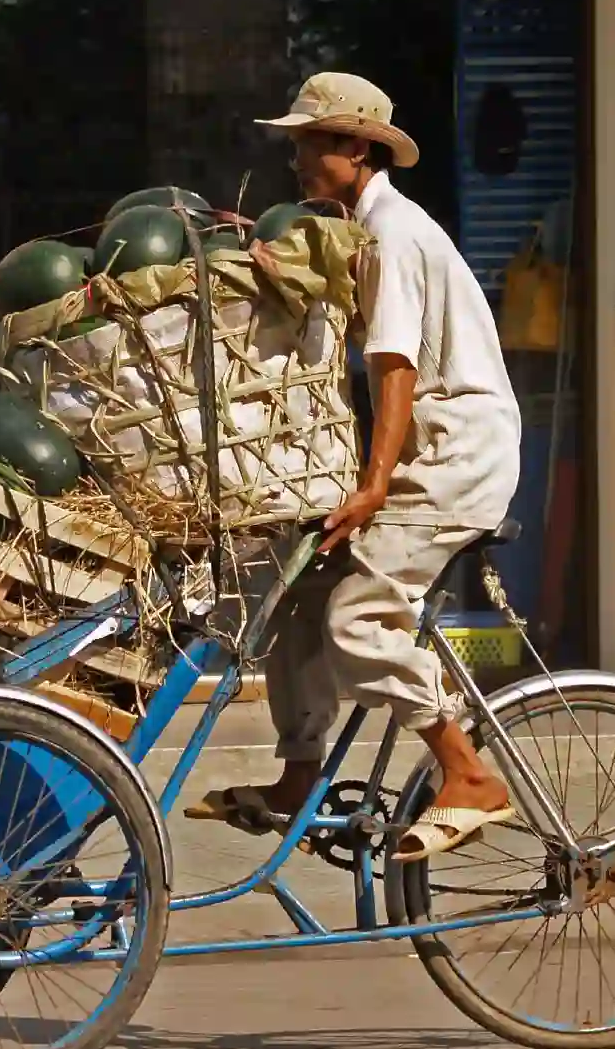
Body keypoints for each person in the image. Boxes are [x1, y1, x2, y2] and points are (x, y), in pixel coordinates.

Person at [188, 72, 524, 861]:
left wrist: (373, 486)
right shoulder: (355, 229)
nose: (299, 158)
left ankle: (468, 773)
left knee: (358, 617)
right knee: (302, 593)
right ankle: (301, 773)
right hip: (425, 453)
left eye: (312, 144)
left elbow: (394, 366)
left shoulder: (395, 235)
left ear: (359, 150)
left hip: (456, 456)